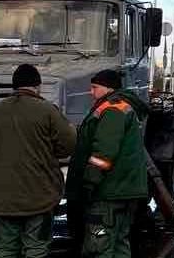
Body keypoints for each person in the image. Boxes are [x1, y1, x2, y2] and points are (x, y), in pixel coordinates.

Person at [0, 64, 77, 258]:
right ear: (37, 86)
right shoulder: (47, 111)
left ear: (14, 86)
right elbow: (68, 144)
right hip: (39, 195)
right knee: (35, 249)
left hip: (2, 196)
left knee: (4, 250)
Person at [66, 69, 149, 258]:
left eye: (95, 88)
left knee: (99, 245)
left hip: (108, 192)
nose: (91, 92)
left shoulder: (112, 109)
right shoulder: (120, 107)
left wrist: (89, 182)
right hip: (123, 189)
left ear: (108, 88)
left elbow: (103, 153)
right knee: (119, 244)